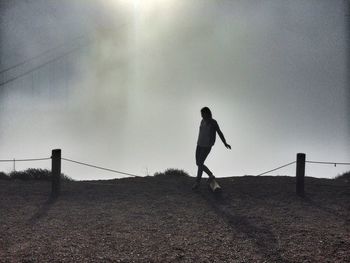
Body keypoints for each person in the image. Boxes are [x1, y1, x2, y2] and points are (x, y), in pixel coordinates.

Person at [192, 107, 231, 190]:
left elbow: (219, 132)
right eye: (201, 114)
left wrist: (225, 143)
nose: (202, 115)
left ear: (207, 113)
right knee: (198, 163)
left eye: (203, 113)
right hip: (199, 144)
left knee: (200, 162)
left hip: (207, 146)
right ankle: (210, 175)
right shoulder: (202, 121)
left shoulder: (213, 122)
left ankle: (197, 182)